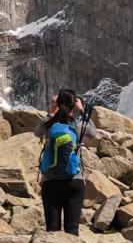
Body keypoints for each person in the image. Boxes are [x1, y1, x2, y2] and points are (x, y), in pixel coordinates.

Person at [35, 89, 97, 235]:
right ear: (73, 105)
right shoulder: (77, 126)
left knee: (52, 230)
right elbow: (93, 132)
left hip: (50, 181)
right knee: (72, 230)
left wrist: (51, 113)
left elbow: (37, 132)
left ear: (57, 103)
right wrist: (81, 110)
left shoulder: (49, 125)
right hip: (74, 180)